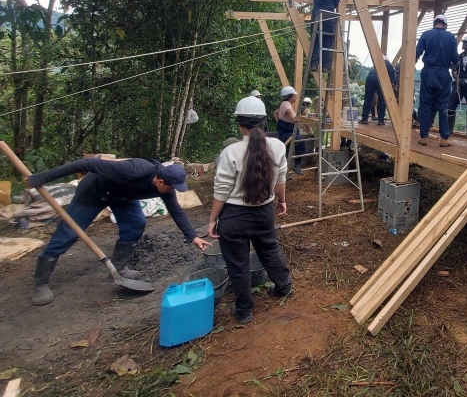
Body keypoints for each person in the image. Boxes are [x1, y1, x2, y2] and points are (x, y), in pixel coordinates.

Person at [24, 157, 210, 306]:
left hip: (123, 197)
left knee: (135, 224)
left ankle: (119, 268)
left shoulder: (165, 188)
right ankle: (40, 284)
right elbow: (86, 163)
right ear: (161, 181)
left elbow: (176, 210)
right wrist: (43, 178)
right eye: (171, 187)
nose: (172, 191)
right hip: (93, 192)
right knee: (68, 234)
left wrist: (192, 236)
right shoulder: (134, 170)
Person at [208, 96, 293, 324]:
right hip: (265, 211)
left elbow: (222, 190)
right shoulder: (277, 146)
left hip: (234, 217)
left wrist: (212, 219)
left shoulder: (230, 152)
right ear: (265, 121)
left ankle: (244, 310)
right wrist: (281, 201)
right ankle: (284, 286)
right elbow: (281, 179)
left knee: (238, 262)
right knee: (269, 248)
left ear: (239, 124)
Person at [415, 14, 459, 147]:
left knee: (425, 104)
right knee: (443, 105)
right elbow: (456, 59)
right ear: (445, 25)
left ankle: (423, 137)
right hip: (443, 74)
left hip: (428, 71)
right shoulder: (451, 37)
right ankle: (444, 138)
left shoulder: (426, 35)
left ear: (435, 23)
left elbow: (417, 53)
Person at [310, 0, 352, 72]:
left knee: (316, 39)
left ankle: (314, 64)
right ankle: (325, 66)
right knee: (327, 39)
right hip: (328, 12)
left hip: (316, 13)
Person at [273, 86, 303, 175]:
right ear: (290, 96)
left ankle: (284, 173)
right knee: (300, 142)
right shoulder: (286, 104)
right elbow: (290, 112)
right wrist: (294, 118)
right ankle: (297, 165)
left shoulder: (284, 103)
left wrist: (278, 121)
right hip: (286, 131)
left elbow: (275, 113)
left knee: (286, 151)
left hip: (284, 130)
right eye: (294, 95)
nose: (295, 97)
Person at [361, 57, 397, 125]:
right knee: (382, 100)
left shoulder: (377, 65)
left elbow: (371, 72)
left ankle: (364, 118)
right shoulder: (389, 66)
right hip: (380, 80)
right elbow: (392, 78)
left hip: (370, 78)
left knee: (368, 99)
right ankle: (381, 120)